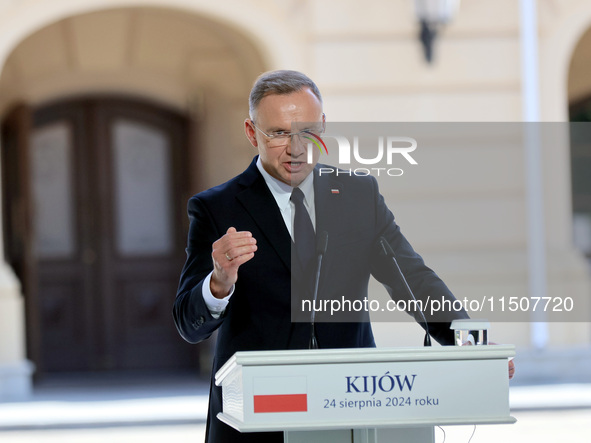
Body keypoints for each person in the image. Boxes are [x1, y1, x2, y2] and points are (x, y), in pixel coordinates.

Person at [173, 70, 513, 443]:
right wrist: (219, 282)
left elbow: (411, 277)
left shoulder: (358, 195)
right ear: (253, 133)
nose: (297, 148)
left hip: (351, 409)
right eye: (280, 133)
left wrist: (467, 342)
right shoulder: (215, 208)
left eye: (307, 131)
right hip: (256, 419)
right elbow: (189, 323)